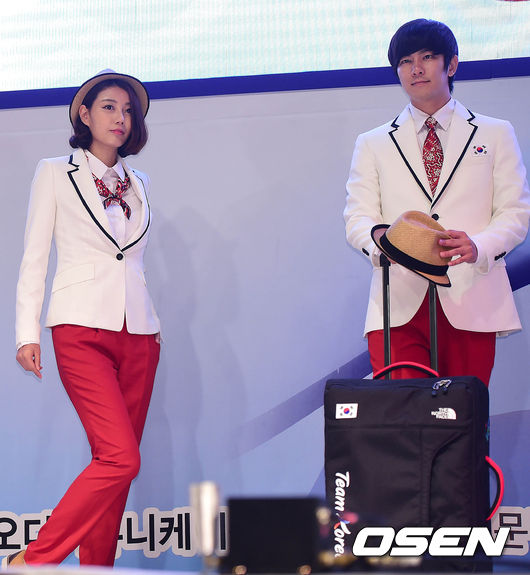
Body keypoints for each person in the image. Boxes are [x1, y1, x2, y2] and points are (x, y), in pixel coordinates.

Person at [6, 71, 161, 567]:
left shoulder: (140, 182)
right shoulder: (55, 172)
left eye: (128, 110)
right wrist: (26, 334)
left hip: (140, 332)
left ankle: (96, 569)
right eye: (109, 107)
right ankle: (35, 560)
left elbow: (129, 259)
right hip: (79, 326)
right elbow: (34, 257)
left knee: (117, 470)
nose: (120, 118)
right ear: (85, 114)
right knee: (120, 457)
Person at [344, 19, 530, 385]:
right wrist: (384, 248)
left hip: (472, 297)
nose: (416, 69)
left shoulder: (495, 133)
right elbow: (357, 217)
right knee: (402, 412)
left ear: (452, 64)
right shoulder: (373, 142)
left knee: (461, 414)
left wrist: (478, 246)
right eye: (405, 61)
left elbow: (515, 212)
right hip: (398, 301)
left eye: (427, 57)